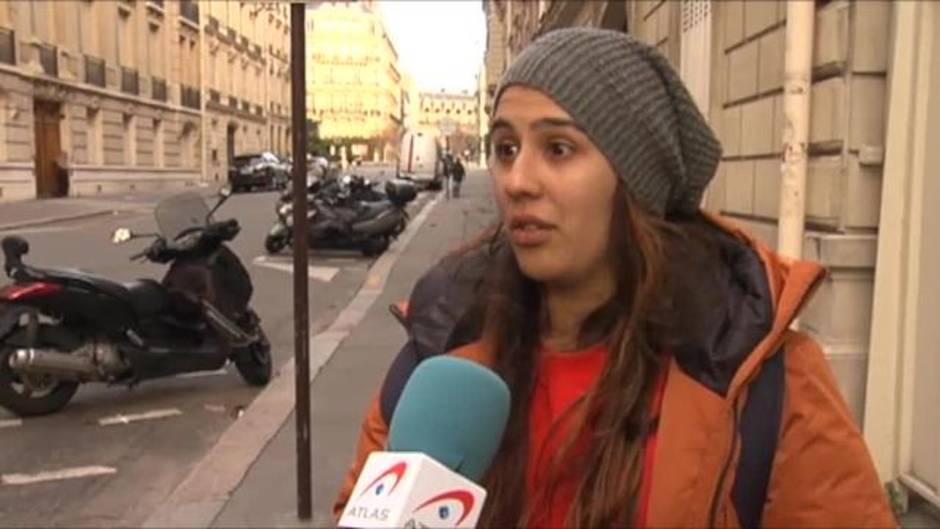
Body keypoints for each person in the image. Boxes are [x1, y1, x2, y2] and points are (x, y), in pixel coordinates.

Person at [335, 28, 896, 528]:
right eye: (506, 149)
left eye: (558, 148)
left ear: (636, 182)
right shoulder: (441, 352)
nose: (517, 180)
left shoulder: (760, 377)